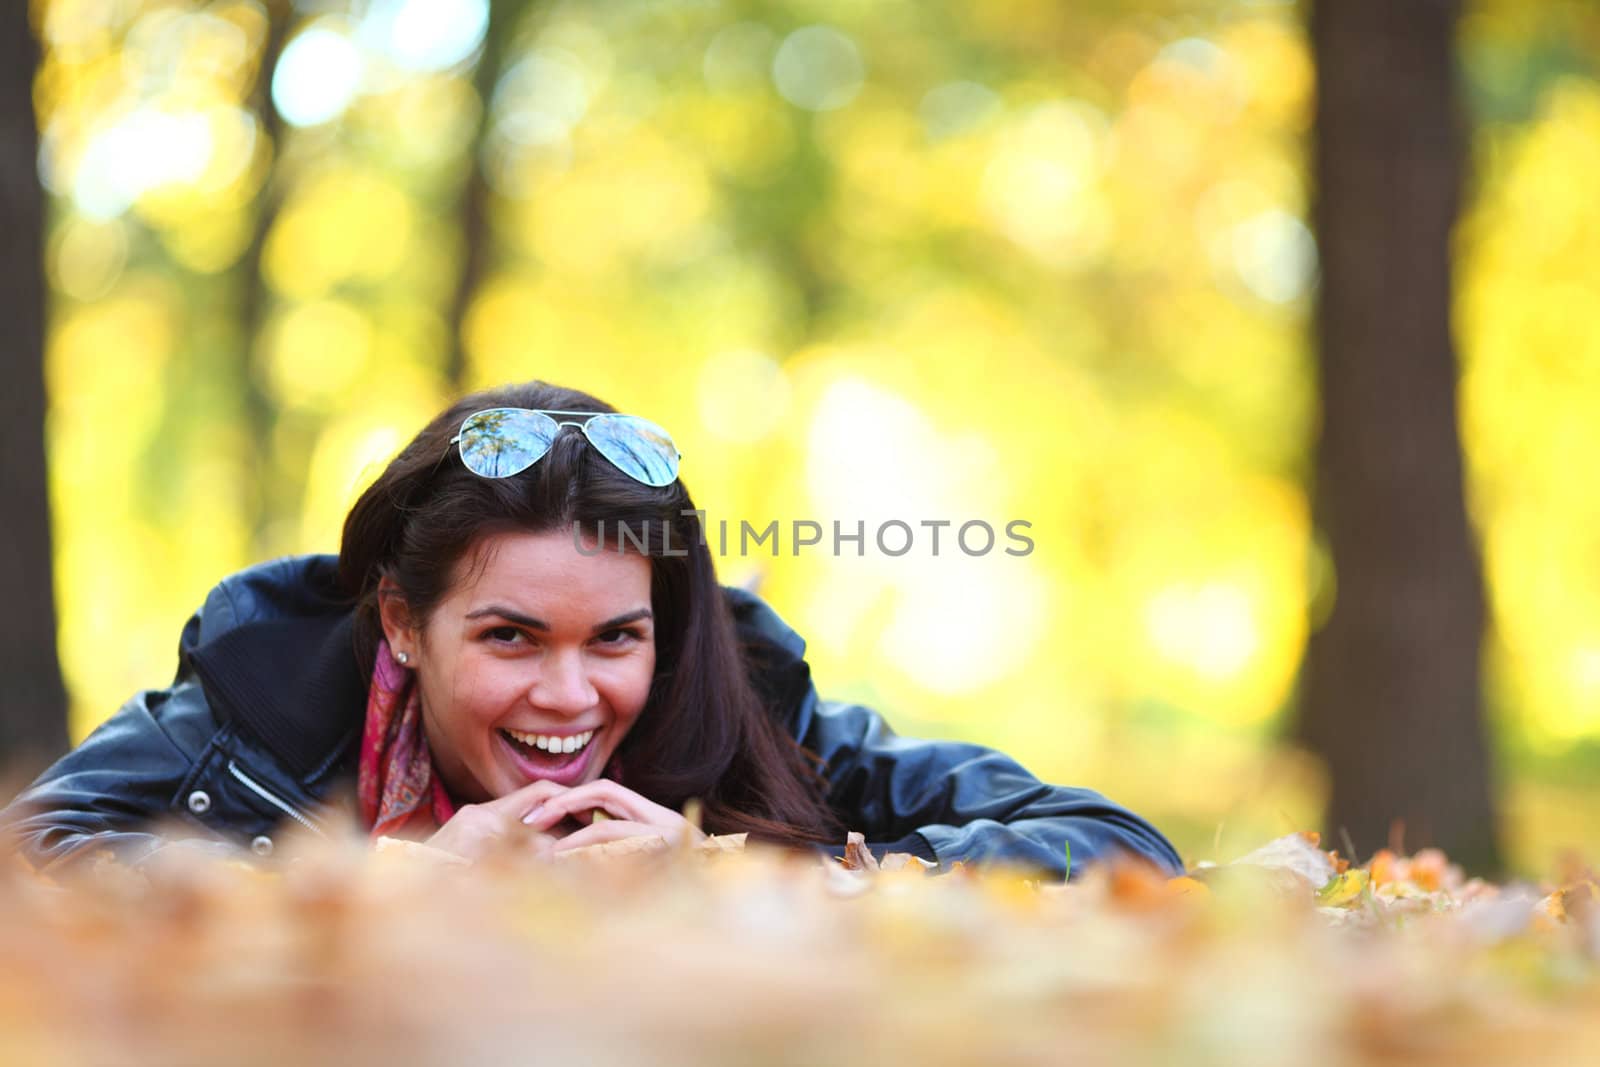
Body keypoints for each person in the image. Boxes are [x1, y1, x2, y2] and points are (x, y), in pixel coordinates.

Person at [0, 381, 1183, 879]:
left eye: (615, 638)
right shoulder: (269, 677)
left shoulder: (741, 693)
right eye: (513, 637)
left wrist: (765, 878)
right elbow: (39, 847)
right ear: (405, 622)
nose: (570, 696)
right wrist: (388, 882)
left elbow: (1116, 840)